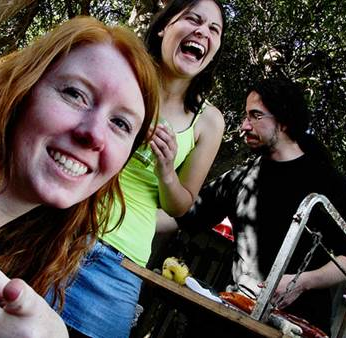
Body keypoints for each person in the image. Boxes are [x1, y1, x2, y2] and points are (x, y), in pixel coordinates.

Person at [0, 16, 159, 338]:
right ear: (22, 89)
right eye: (75, 94)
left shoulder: (38, 253)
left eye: (120, 124)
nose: (94, 135)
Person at [55, 1, 226, 337]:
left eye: (214, 29)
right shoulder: (122, 77)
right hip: (61, 232)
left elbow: (181, 206)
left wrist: (166, 170)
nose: (202, 32)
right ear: (163, 27)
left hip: (120, 264)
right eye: (193, 19)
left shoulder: (209, 121)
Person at [175, 77, 346, 335]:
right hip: (240, 313)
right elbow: (181, 217)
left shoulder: (327, 181)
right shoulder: (240, 178)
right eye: (246, 116)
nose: (244, 125)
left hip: (298, 326)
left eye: (255, 115)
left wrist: (302, 282)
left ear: (284, 120)